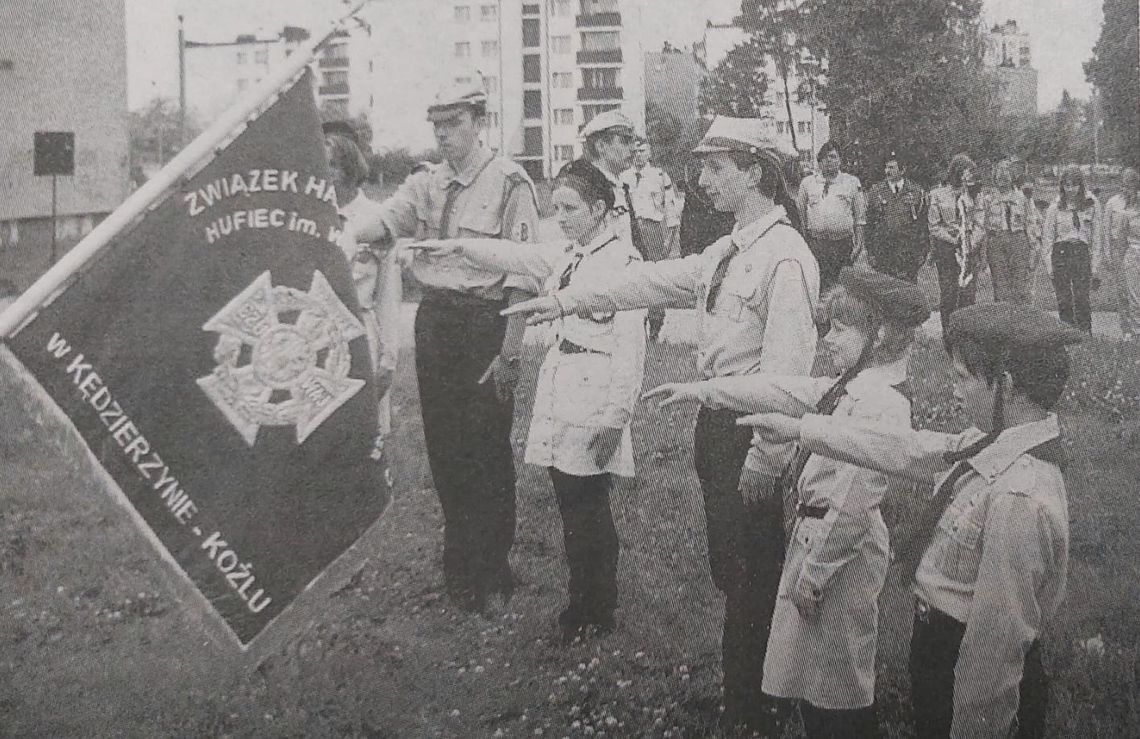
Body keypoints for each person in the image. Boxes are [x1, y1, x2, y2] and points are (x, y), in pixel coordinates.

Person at [504, 116, 819, 733]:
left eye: (717, 166)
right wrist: (568, 300)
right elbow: (654, 279)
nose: (703, 179)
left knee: (752, 574)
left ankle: (757, 711)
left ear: (756, 171)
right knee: (732, 570)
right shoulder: (733, 246)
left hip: (748, 432)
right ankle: (746, 694)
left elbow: (788, 377)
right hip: (716, 425)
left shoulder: (785, 256)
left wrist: (765, 459)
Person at [742, 301, 1080, 738]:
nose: (954, 390)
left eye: (962, 378)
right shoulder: (990, 444)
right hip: (941, 652)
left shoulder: (1019, 494)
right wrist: (803, 429)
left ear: (1006, 386)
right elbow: (904, 448)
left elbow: (995, 650)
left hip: (965, 662)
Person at [644, 267, 929, 739]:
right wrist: (701, 390)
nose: (827, 341)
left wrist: (814, 575)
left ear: (878, 335)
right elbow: (780, 389)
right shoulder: (853, 387)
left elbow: (855, 503)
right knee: (814, 677)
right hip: (818, 540)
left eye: (840, 329)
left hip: (839, 555)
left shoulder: (883, 404)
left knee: (838, 685)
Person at [405, 159, 646, 643]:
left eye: (569, 207)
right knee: (569, 502)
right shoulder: (569, 254)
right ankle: (583, 603)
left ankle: (595, 609)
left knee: (589, 507)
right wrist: (455, 246)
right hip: (564, 391)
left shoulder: (624, 264)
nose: (560, 216)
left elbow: (631, 352)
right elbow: (512, 256)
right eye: (555, 206)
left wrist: (616, 417)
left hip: (596, 397)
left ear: (599, 209)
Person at [354, 82, 541, 613]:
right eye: (435, 122)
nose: (442, 133)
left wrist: (510, 351)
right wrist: (333, 226)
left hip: (485, 321)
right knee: (445, 449)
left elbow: (522, 274)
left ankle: (493, 568)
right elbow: (380, 225)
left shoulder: (509, 182)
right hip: (436, 323)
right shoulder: (425, 183)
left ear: (478, 120)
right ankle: (459, 564)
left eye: (453, 122)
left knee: (486, 448)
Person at [325, 127, 401, 490]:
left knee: (360, 446)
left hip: (361, 335)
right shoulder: (308, 216)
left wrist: (388, 360)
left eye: (326, 166)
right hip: (316, 338)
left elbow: (388, 294)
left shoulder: (377, 218)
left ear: (343, 168)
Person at [928, 153, 984, 345]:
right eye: (963, 173)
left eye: (969, 174)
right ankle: (949, 336)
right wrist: (954, 240)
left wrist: (969, 243)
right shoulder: (938, 194)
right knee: (949, 295)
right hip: (947, 251)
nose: (966, 178)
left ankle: (967, 337)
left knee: (968, 295)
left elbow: (980, 224)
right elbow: (934, 225)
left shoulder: (976, 195)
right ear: (955, 173)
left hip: (970, 251)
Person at [1041, 165, 1105, 332]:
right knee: (1064, 300)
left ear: (1081, 185)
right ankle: (1067, 336)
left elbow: (1098, 236)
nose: (1070, 189)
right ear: (1062, 186)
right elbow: (1047, 239)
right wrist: (1049, 267)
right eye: (1067, 185)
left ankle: (1085, 336)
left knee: (1082, 298)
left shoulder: (1091, 203)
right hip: (1061, 253)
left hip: (1081, 253)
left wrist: (1096, 265)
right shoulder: (1055, 207)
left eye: (1074, 185)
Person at [622, 139, 674, 341]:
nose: (638, 155)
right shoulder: (624, 177)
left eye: (642, 151)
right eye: (634, 151)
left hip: (652, 229)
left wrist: (670, 234)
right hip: (631, 230)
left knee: (654, 277)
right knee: (631, 276)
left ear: (649, 153)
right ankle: (635, 327)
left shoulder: (659, 176)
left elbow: (669, 206)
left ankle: (655, 326)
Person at [797, 141, 866, 292]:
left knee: (843, 288)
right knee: (817, 285)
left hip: (842, 245)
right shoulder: (808, 183)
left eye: (833, 157)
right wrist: (805, 239)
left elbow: (860, 217)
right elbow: (800, 213)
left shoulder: (851, 182)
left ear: (840, 160)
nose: (829, 161)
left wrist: (859, 243)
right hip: (817, 245)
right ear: (819, 162)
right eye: (824, 158)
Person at [979, 160, 1041, 304]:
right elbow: (983, 226)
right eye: (999, 176)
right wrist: (983, 252)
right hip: (996, 242)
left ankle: (1019, 321)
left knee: (1019, 285)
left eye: (1006, 175)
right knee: (1000, 285)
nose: (1002, 179)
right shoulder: (988, 199)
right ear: (994, 178)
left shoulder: (1022, 198)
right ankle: (1003, 322)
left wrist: (1033, 247)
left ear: (1012, 177)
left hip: (1018, 241)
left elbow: (1031, 222)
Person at [580, 110, 639, 251]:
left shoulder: (619, 186)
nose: (633, 149)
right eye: (625, 141)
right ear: (601, 147)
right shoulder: (589, 188)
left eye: (633, 141)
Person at [865, 153, 928, 282]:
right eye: (886, 167)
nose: (887, 171)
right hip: (883, 252)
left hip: (907, 253)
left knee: (907, 292)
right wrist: (870, 251)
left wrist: (922, 251)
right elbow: (870, 224)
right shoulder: (876, 192)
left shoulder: (916, 192)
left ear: (902, 170)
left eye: (892, 167)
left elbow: (923, 224)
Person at [1105, 167, 1140, 340]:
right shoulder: (1113, 203)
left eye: (1132, 183)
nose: (1128, 188)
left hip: (1132, 250)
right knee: (1125, 291)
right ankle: (1128, 330)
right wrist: (1108, 254)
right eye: (1125, 183)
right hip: (1122, 250)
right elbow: (1109, 232)